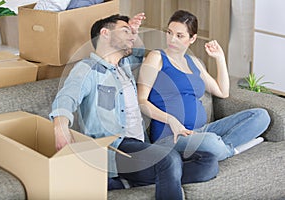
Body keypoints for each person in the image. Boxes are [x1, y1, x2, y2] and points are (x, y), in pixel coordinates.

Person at [49, 13, 218, 200]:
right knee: (168, 160)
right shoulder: (88, 69)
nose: (131, 36)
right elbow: (67, 97)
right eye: (125, 31)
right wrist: (60, 126)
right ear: (104, 33)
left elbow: (139, 51)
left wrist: (133, 32)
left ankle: (124, 183)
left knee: (208, 161)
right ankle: (129, 178)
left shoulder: (126, 66)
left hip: (141, 147)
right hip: (114, 147)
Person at [137, 10, 271, 161]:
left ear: (192, 38)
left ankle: (221, 149)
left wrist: (220, 58)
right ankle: (227, 150)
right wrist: (170, 120)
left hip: (201, 131)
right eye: (169, 32)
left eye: (179, 35)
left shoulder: (194, 62)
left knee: (260, 116)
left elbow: (222, 92)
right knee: (211, 142)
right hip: (171, 137)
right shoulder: (156, 57)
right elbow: (141, 101)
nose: (172, 39)